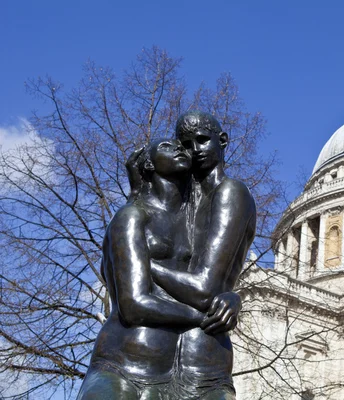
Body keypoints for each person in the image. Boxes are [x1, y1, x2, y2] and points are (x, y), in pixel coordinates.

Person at [77, 138, 240, 399]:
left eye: (180, 146)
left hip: (193, 374)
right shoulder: (132, 216)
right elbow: (134, 305)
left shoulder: (200, 223)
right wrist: (203, 318)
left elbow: (209, 282)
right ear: (149, 164)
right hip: (126, 367)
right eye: (166, 145)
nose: (178, 148)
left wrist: (231, 298)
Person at [148, 111, 257, 399]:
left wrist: (143, 266)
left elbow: (206, 289)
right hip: (152, 356)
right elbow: (111, 268)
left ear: (222, 141)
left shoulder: (231, 193)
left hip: (201, 358)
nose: (195, 151)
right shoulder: (175, 202)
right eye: (186, 144)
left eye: (202, 140)